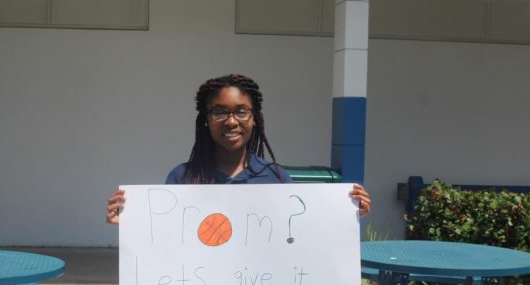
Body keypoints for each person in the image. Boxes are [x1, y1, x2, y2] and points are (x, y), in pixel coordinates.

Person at [106, 73, 371, 223]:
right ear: (206, 121)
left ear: (254, 119)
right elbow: (162, 240)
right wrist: (131, 223)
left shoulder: (277, 179)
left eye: (241, 112)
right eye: (220, 112)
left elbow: (298, 234)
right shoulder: (182, 179)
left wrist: (344, 216)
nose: (231, 121)